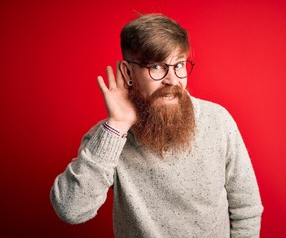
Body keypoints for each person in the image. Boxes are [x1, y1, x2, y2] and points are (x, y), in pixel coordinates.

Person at [50, 13, 263, 238]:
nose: (172, 80)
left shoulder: (218, 121)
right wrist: (117, 127)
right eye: (157, 67)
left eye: (179, 64)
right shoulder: (108, 138)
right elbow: (71, 210)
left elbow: (247, 209)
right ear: (128, 72)